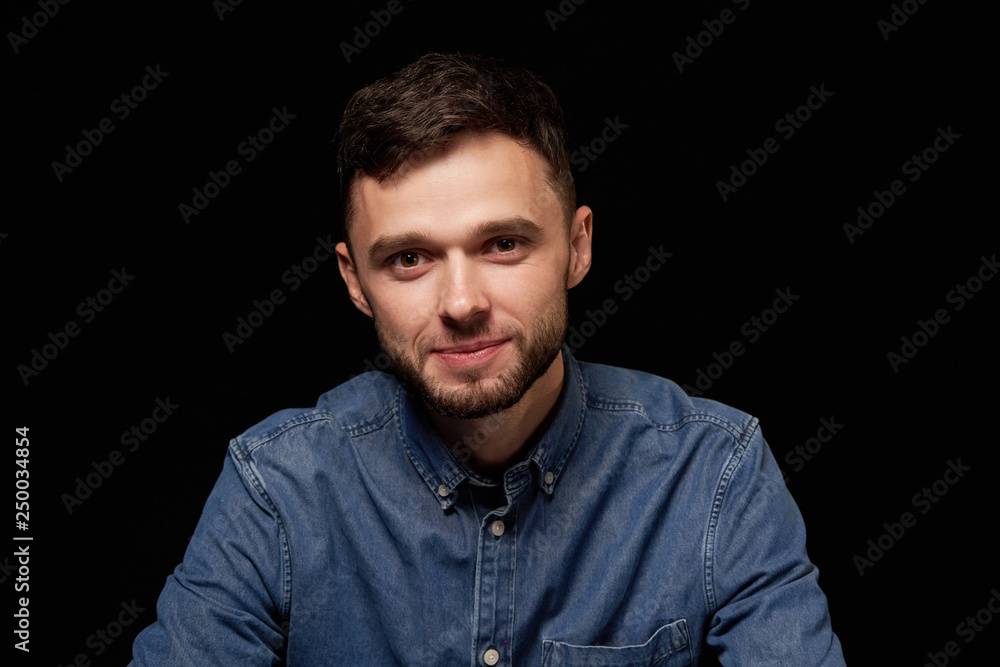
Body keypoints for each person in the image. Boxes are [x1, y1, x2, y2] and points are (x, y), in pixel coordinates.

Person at [130, 52, 846, 665]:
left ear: (578, 245)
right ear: (355, 282)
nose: (462, 301)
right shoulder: (277, 489)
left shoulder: (715, 476)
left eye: (503, 243)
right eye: (410, 258)